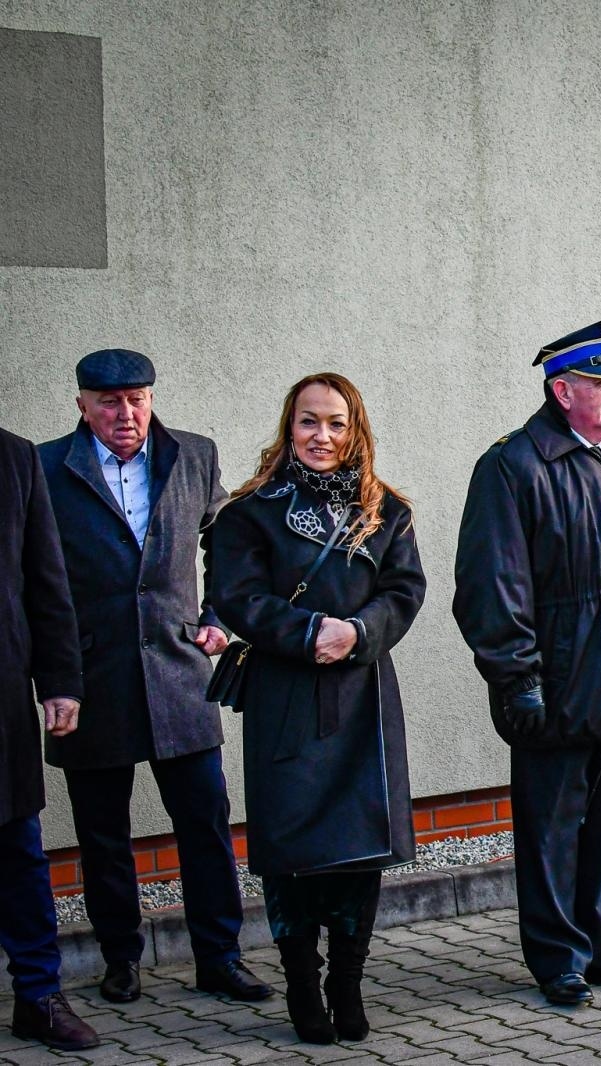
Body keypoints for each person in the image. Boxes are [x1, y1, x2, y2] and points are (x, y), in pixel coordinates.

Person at [454, 321, 601, 1007]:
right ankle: (558, 958)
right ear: (562, 390)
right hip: (554, 689)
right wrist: (518, 680)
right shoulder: (513, 466)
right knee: (552, 834)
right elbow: (492, 588)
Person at [38, 349, 269, 1004]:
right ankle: (121, 960)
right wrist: (54, 675)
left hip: (177, 672)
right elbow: (32, 569)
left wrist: (220, 615)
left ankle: (219, 957)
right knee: (103, 834)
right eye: (110, 401)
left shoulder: (192, 454)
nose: (126, 413)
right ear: (82, 404)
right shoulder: (47, 467)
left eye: (138, 398)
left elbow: (229, 539)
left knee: (204, 821)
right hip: (89, 676)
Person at [208, 372, 425, 1043]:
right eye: (308, 421)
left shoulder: (386, 511)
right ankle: (304, 987)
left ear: (354, 429)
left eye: (335, 423)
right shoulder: (249, 512)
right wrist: (311, 633)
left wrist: (357, 633)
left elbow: (404, 590)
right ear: (289, 427)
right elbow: (237, 596)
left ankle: (347, 983)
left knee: (360, 854)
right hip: (287, 700)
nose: (321, 436)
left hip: (361, 696)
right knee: (292, 854)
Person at [0, 426, 100, 1051]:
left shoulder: (13, 457)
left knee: (17, 853)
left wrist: (60, 681)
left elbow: (45, 576)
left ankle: (38, 997)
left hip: (2, 699)